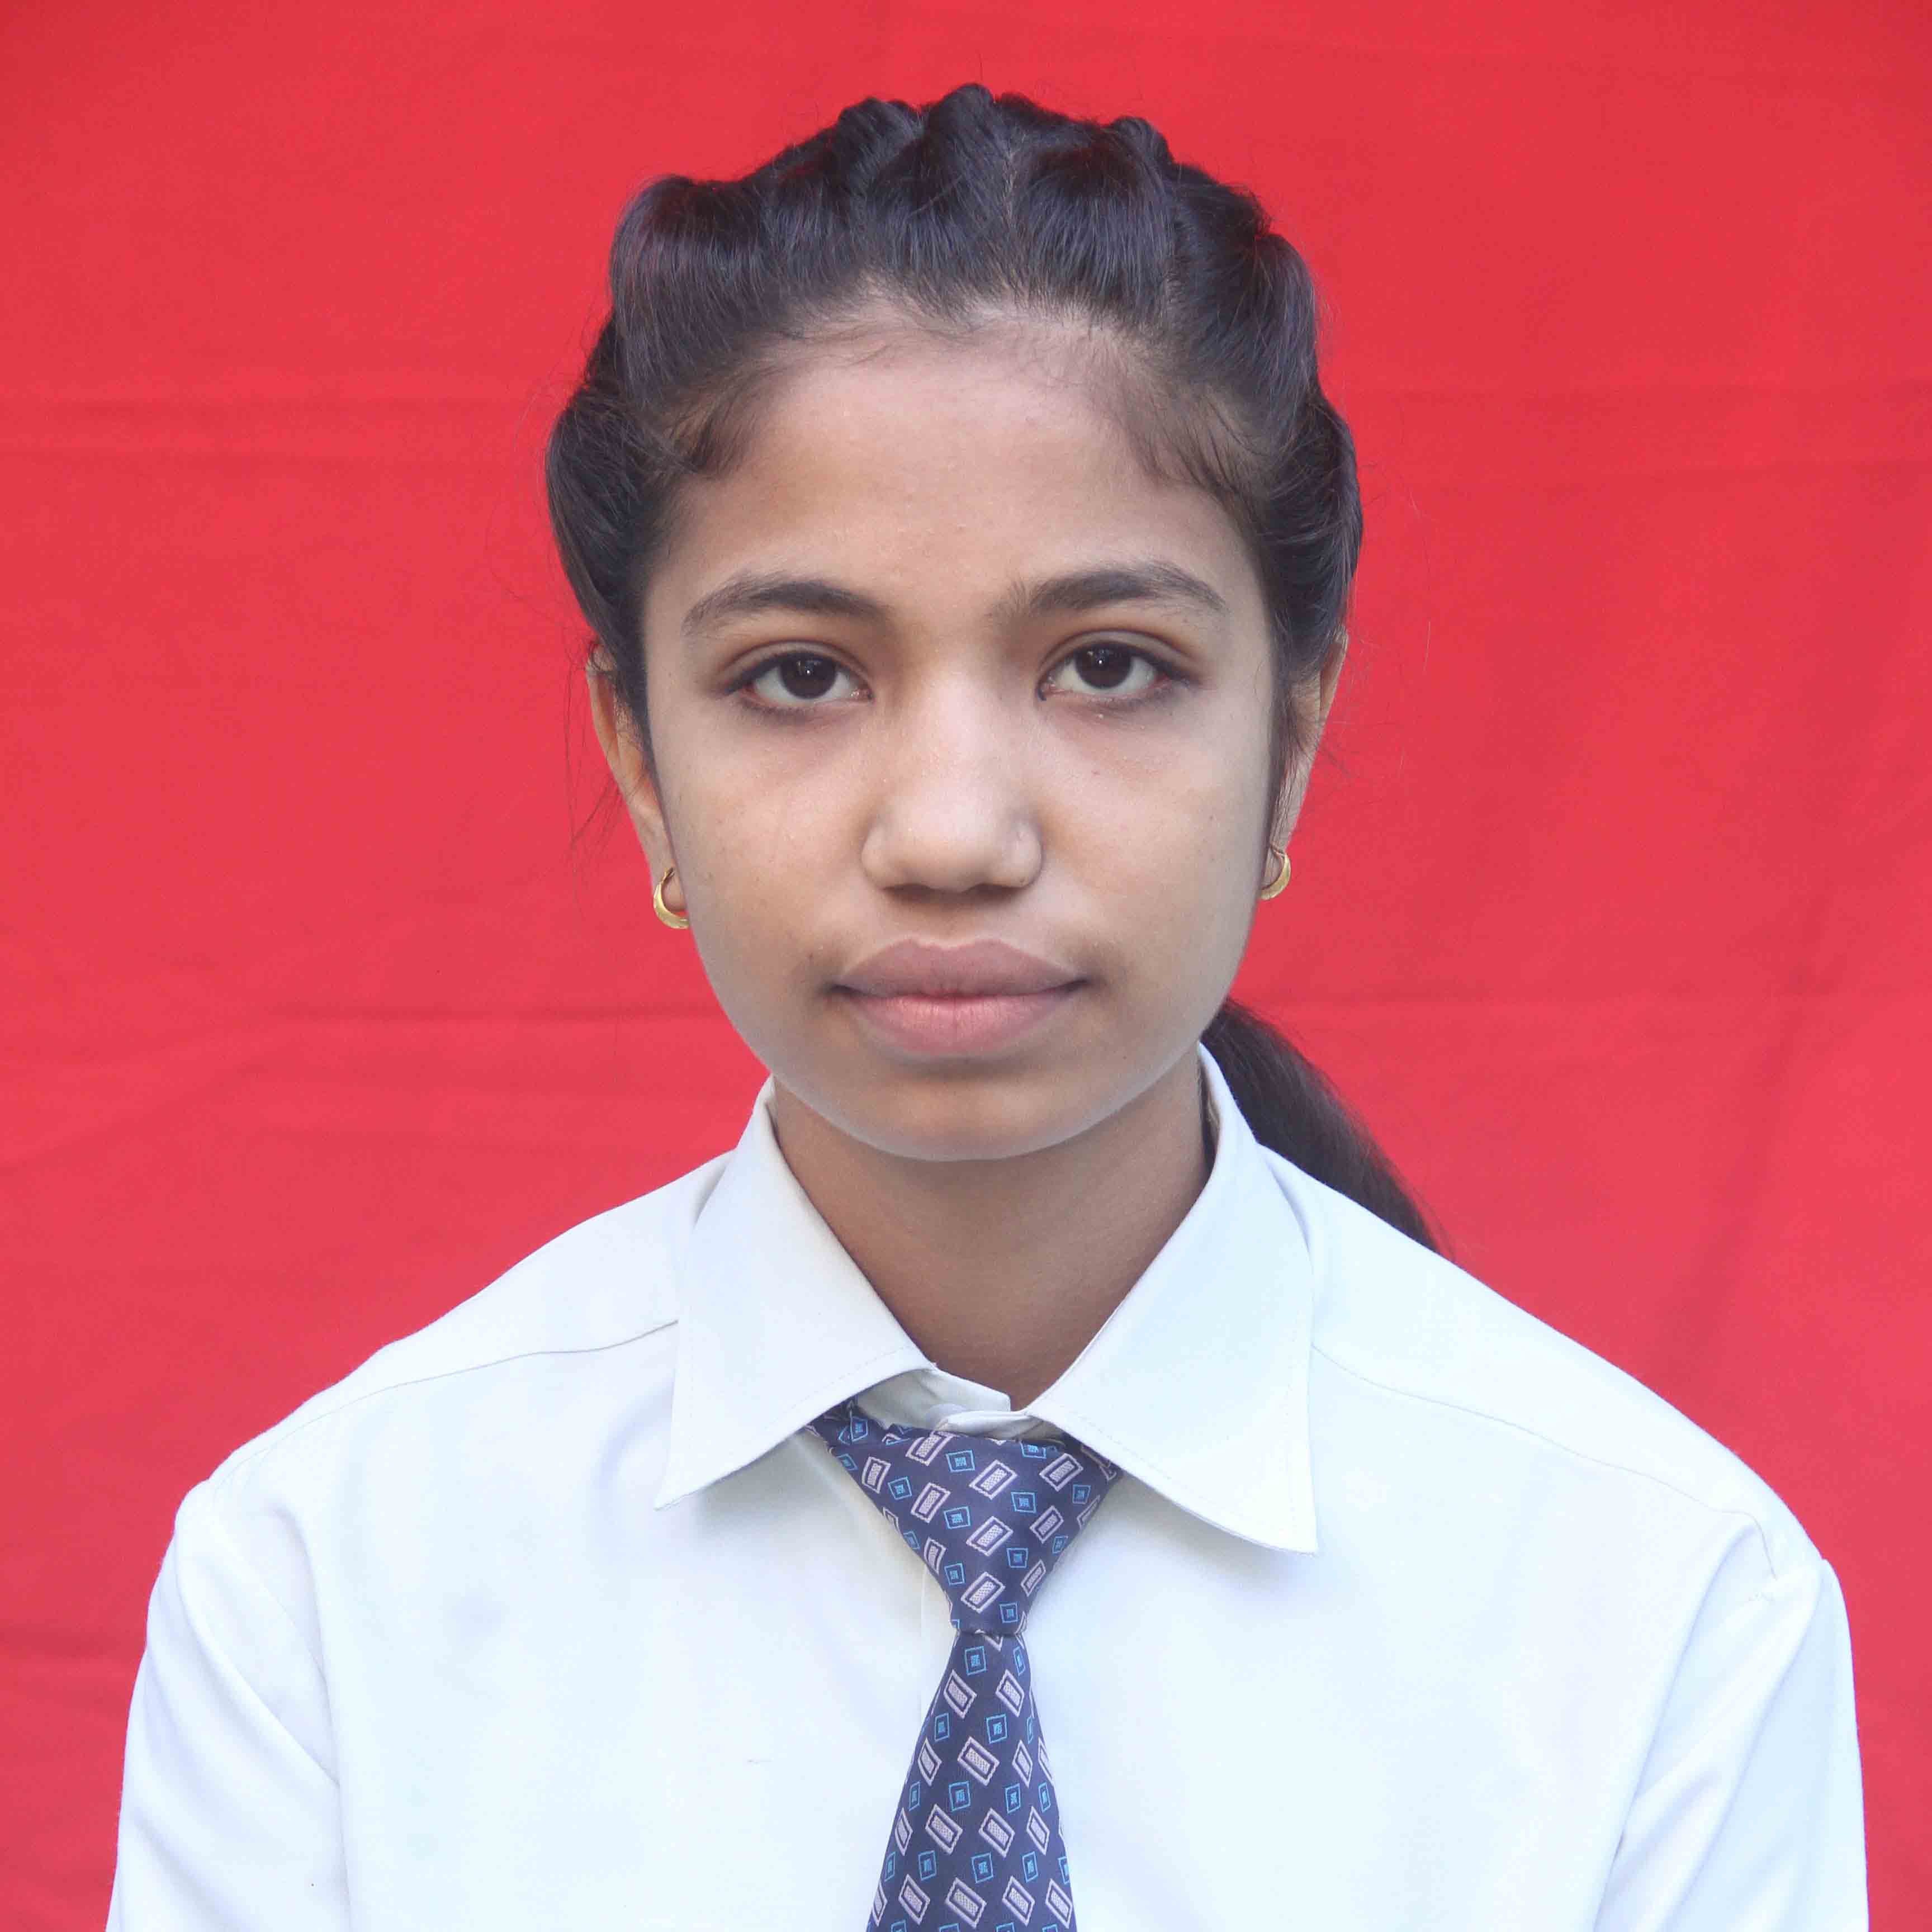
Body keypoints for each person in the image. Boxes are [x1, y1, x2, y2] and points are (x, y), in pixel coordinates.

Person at [105, 83, 1865, 1930]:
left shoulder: (1662, 1604)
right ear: (640, 759)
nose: (951, 833)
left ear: (1293, 738)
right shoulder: (324, 1585)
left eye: (1109, 666)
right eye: (801, 675)